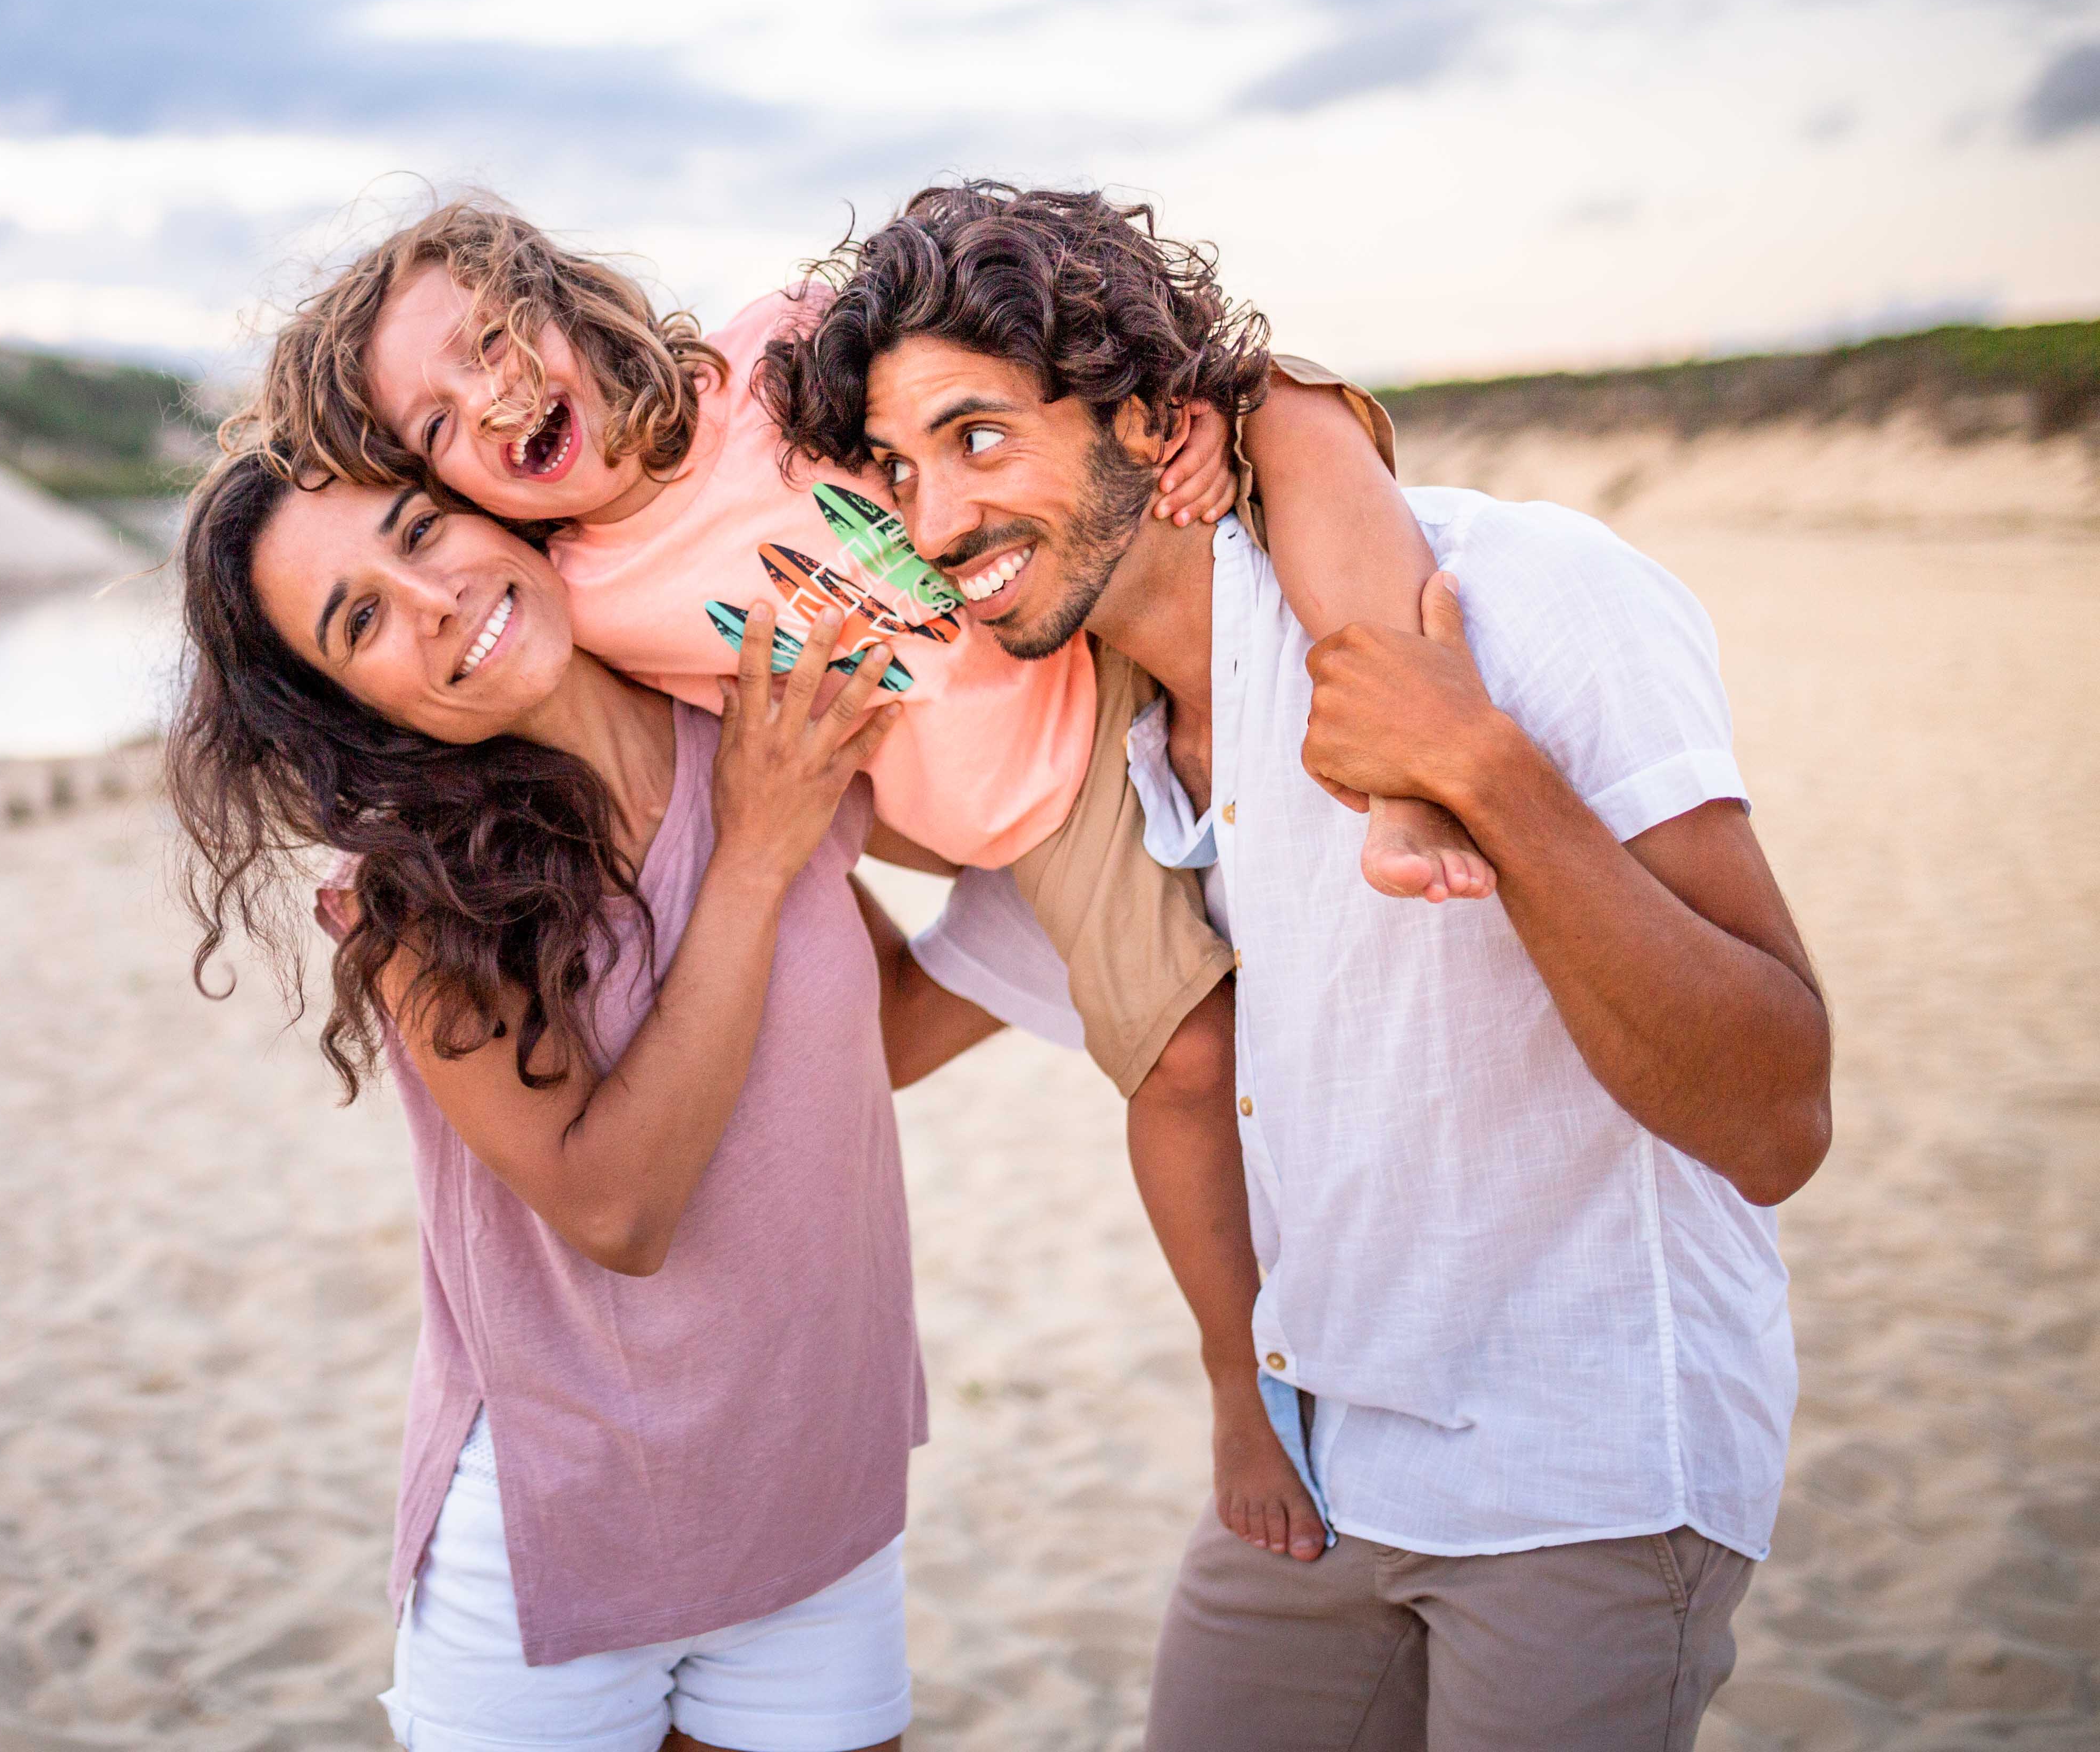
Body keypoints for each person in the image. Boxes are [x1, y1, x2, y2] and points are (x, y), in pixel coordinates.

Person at [236, 195, 1477, 1565]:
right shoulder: (580, 605)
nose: (492, 394)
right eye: (431, 425)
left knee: (1285, 427)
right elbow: (672, 753)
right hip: (1041, 804)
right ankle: (1242, 1384)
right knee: (1190, 1063)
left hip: (1099, 609)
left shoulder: (780, 353)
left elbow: (995, 369)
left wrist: (1192, 416)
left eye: (490, 335)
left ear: (564, 294)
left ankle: (1415, 766)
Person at [766, 181, 1834, 1751]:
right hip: (1315, 1471)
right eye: (896, 473)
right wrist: (734, 809)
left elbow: (1777, 1116)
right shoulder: (1091, 747)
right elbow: (884, 1033)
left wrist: (1478, 768)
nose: (934, 529)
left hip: (1585, 1465)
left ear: (1148, 419)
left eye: (979, 437)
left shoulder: (1521, 591)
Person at [165, 449, 1006, 1752]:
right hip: (566, 1539)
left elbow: (875, 1029)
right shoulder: (415, 900)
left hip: (814, 1488)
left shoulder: (753, 727)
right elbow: (618, 1208)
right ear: (345, 706)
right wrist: (753, 855)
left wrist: (1114, 927)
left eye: (422, 532)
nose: (434, 598)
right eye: (364, 618)